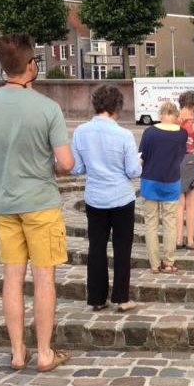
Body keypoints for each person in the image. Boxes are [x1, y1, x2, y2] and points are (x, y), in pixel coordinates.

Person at [0, 33, 74, 373]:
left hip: (5, 204)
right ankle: (44, 352)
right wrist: (45, 164)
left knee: (12, 278)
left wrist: (4, 161)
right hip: (41, 203)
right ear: (31, 65)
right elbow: (66, 163)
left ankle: (17, 352)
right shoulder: (48, 108)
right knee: (44, 279)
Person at [71, 84, 141, 312]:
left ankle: (97, 298)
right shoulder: (124, 135)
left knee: (96, 247)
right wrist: (140, 161)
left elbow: (77, 168)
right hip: (121, 198)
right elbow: (133, 171)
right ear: (117, 107)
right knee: (122, 248)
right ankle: (121, 297)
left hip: (95, 198)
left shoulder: (80, 132)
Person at [139, 102, 187, 273]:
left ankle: (154, 264)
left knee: (151, 223)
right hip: (171, 182)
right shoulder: (182, 133)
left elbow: (141, 157)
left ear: (160, 115)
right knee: (170, 223)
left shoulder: (149, 132)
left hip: (150, 181)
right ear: (175, 115)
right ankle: (169, 262)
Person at [176, 90, 194, 250]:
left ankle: (178, 239)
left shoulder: (174, 122)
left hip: (176, 163)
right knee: (191, 206)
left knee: (179, 205)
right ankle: (191, 241)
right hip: (192, 162)